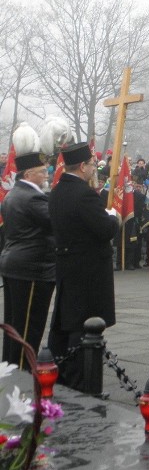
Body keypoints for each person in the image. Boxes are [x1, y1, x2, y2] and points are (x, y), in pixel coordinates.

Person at [48, 141, 119, 389]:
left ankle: (60, 373)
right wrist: (113, 217)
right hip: (88, 272)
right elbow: (105, 229)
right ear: (81, 166)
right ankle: (82, 381)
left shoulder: (56, 192)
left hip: (66, 267)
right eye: (91, 164)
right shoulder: (84, 194)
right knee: (84, 327)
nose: (93, 168)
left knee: (66, 322)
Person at [0, 129, 55, 369]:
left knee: (13, 326)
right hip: (32, 268)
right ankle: (23, 376)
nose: (46, 174)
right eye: (43, 171)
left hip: (14, 264)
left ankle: (10, 369)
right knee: (28, 327)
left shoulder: (13, 195)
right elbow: (55, 223)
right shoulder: (33, 198)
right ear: (29, 173)